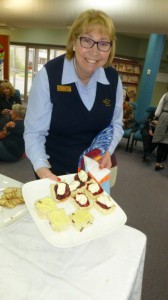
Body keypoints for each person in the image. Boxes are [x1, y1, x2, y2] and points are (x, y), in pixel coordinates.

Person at [24, 9, 124, 183]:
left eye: (103, 43)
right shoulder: (49, 75)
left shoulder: (113, 80)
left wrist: (108, 150)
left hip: (94, 170)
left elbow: (116, 124)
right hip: (53, 170)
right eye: (87, 40)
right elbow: (34, 132)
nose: (95, 51)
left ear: (110, 48)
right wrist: (43, 169)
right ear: (73, 41)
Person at [152, 92, 168, 170]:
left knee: (161, 141)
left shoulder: (165, 95)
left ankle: (158, 163)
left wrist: (157, 116)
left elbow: (157, 112)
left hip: (164, 117)